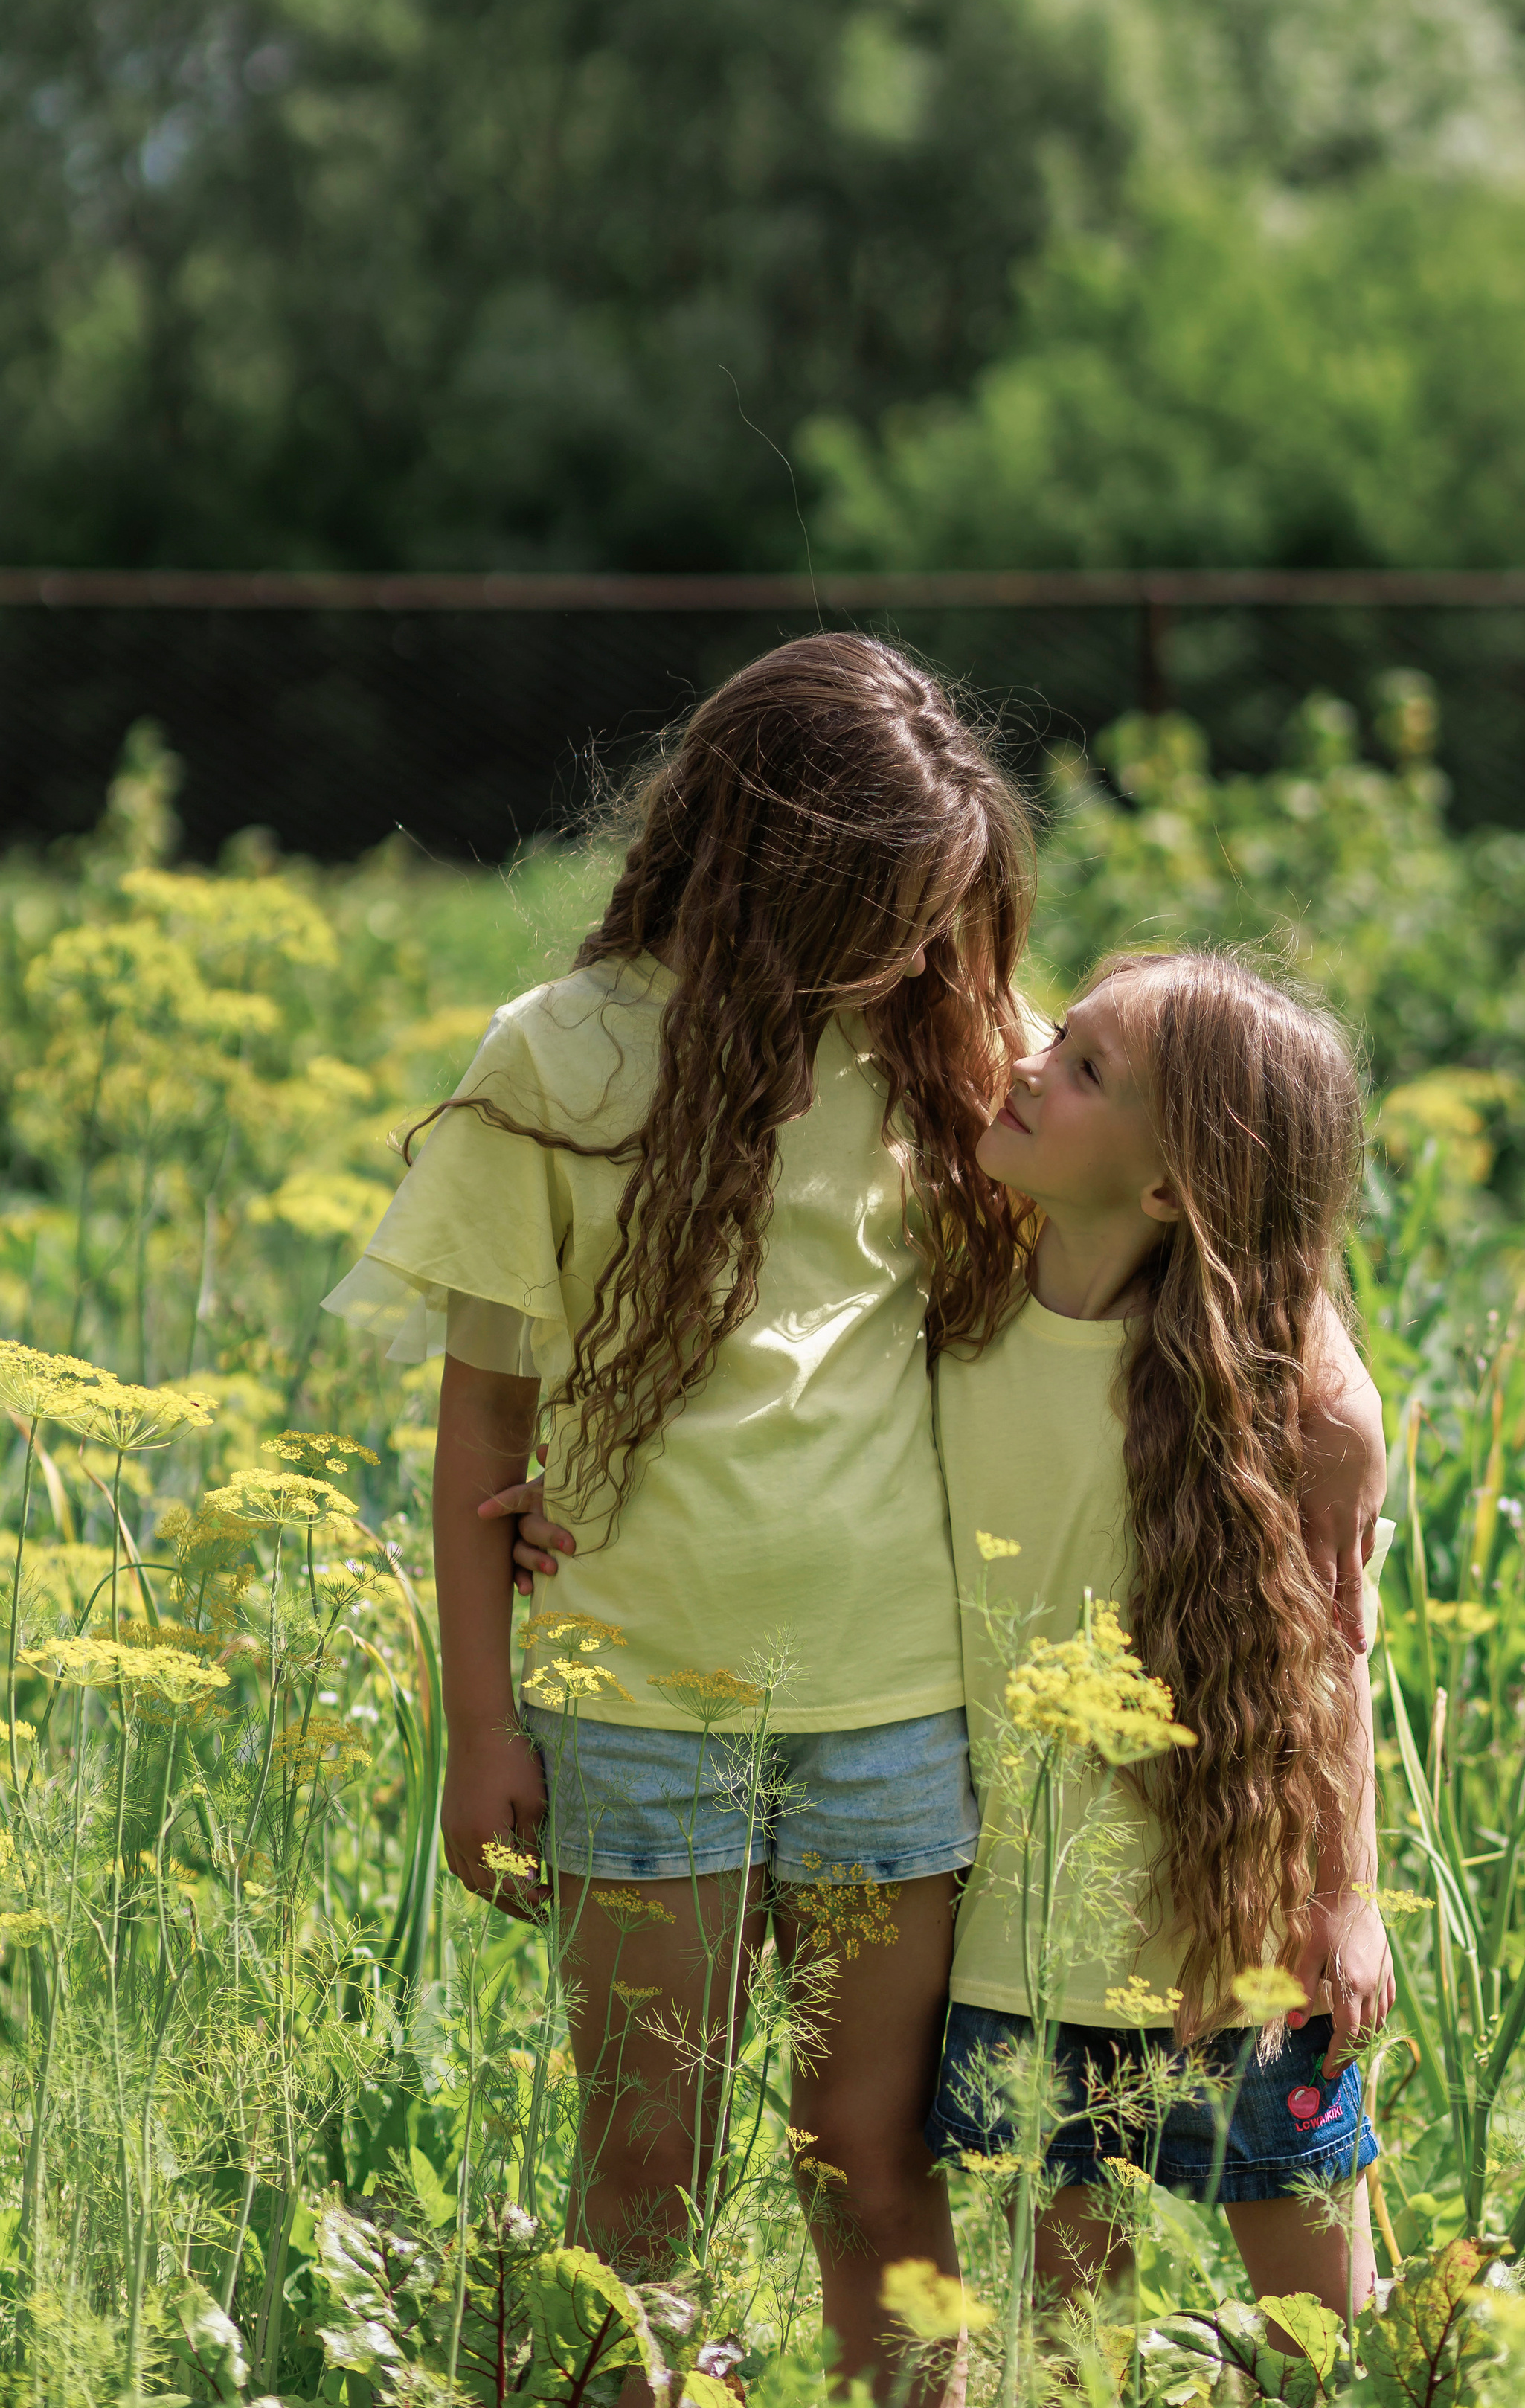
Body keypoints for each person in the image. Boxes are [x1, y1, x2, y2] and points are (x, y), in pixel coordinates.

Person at [324, 635, 1041, 2398]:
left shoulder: (950, 1045)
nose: (906, 951)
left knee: (873, 2173)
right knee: (640, 2185)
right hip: (631, 1718)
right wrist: (479, 1722)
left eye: (935, 913)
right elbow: (481, 1412)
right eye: (878, 908)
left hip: (896, 1721)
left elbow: (1144, 1202)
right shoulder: (561, 1064)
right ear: (766, 863)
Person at [924, 949, 1394, 2331]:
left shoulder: (1271, 1402)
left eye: (1084, 1070)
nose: (1026, 1066)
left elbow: (1330, 1669)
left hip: (1243, 1952)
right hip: (1018, 1957)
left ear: (1172, 1187)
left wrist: (1345, 1895)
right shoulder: (954, 1312)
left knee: (1333, 2344)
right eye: (1058, 1035)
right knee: (1069, 2352)